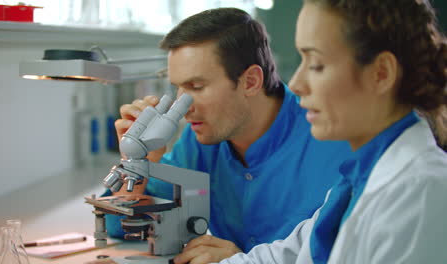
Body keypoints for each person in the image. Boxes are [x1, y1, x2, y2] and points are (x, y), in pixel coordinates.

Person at [107, 7, 352, 264]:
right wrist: (139, 163)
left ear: (250, 81)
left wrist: (244, 261)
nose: (183, 106)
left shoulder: (335, 139)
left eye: (196, 86)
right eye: (178, 87)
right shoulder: (200, 140)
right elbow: (122, 227)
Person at [210, 0, 447, 263]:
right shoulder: (354, 183)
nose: (297, 84)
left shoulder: (421, 193)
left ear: (381, 73)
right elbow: (287, 256)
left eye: (317, 64)